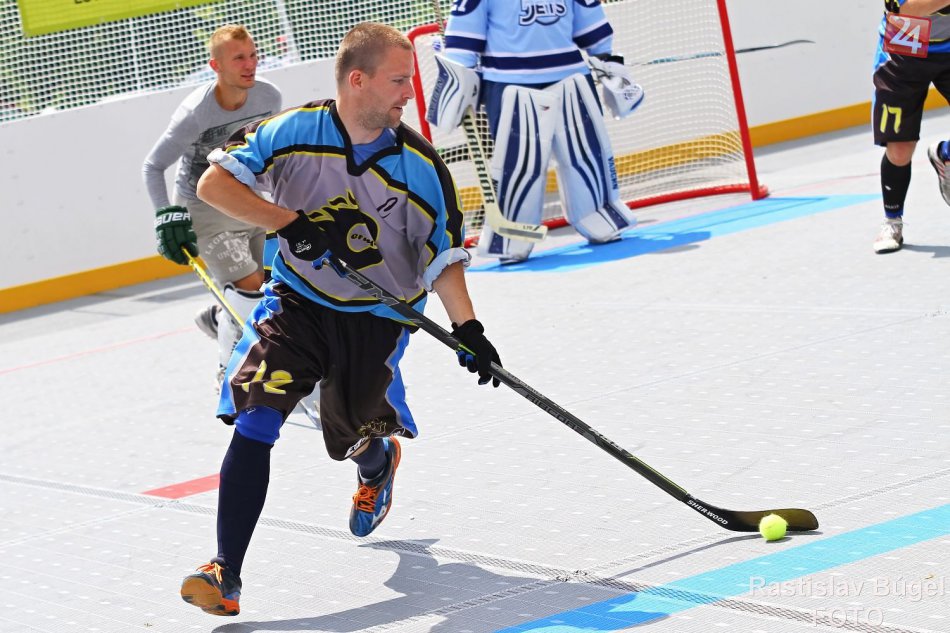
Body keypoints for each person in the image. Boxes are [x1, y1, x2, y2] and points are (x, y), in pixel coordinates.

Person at [178, 22, 503, 617]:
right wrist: (287, 222)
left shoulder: (419, 166)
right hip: (297, 302)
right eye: (398, 80)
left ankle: (377, 463)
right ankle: (225, 571)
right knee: (257, 414)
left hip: (376, 316)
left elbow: (444, 257)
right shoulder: (292, 131)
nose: (409, 92)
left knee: (351, 429)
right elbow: (213, 184)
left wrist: (468, 330)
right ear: (358, 80)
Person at [428, 0, 644, 263]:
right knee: (519, 167)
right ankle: (512, 235)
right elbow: (465, 33)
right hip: (510, 83)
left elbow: (590, 23)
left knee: (587, 156)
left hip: (570, 77)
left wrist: (606, 58)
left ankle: (599, 212)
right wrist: (458, 75)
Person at [142, 24, 282, 381]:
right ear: (216, 66)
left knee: (267, 289)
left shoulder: (269, 97)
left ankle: (219, 319)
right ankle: (227, 370)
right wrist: (165, 215)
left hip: (245, 198)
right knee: (248, 291)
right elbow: (153, 165)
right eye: (239, 58)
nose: (250, 64)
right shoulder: (196, 113)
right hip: (203, 208)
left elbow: (264, 152)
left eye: (253, 55)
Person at [872, 1, 950, 253]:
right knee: (900, 149)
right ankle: (892, 221)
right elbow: (909, 10)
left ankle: (945, 154)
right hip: (905, 46)